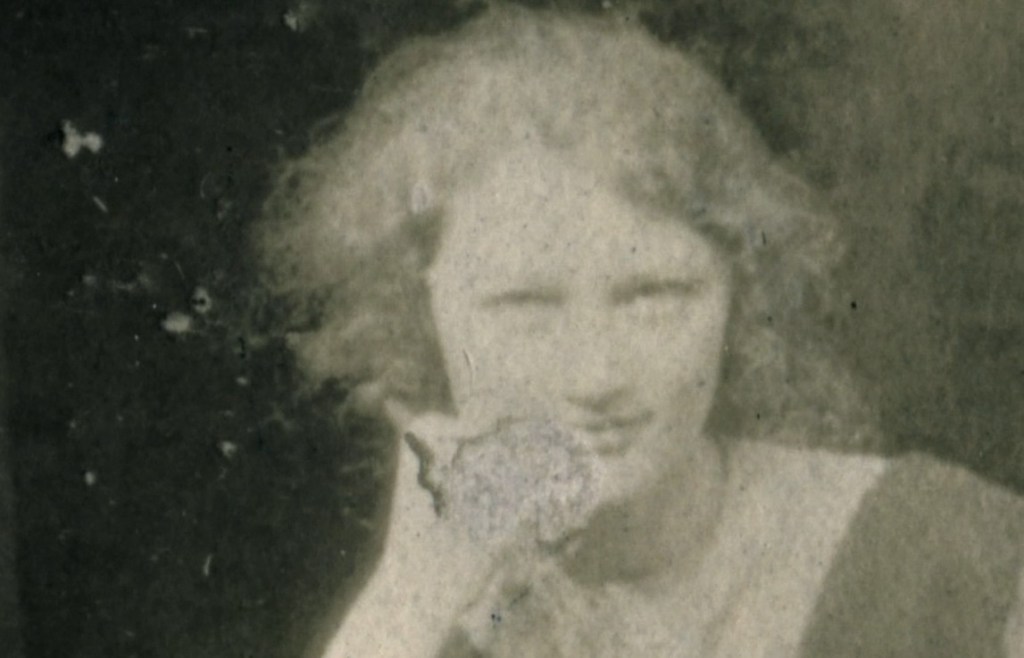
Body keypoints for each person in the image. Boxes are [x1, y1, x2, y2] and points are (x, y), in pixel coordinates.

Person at [253, 4, 1024, 656]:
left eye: (654, 296)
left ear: (740, 294)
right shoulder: (429, 611)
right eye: (525, 307)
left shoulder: (932, 551)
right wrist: (404, 606)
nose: (597, 376)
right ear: (419, 309)